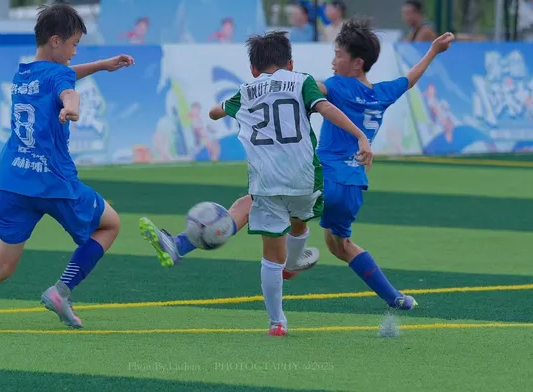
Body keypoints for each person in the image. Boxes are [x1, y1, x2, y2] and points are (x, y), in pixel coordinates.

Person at [141, 19, 454, 314]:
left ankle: (181, 244)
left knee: (251, 204)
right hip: (353, 185)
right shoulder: (383, 93)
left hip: (322, 177)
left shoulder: (337, 86)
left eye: (338, 55)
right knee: (340, 246)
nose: (333, 61)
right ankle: (395, 298)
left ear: (357, 63)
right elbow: (409, 80)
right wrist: (433, 51)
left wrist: (274, 81)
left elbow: (303, 88)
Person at [142, 31, 374, 336]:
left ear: (253, 69)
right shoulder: (301, 81)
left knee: (268, 251)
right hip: (305, 177)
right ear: (290, 63)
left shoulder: (246, 91)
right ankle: (292, 261)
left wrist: (223, 107)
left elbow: (214, 113)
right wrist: (360, 136)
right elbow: (325, 108)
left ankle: (277, 322)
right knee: (298, 221)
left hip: (267, 181)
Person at [0, 4, 135, 330]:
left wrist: (102, 65)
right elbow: (68, 90)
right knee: (110, 225)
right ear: (56, 41)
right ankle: (62, 291)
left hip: (14, 179)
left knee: (2, 264)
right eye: (73, 44)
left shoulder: (24, 73)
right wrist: (71, 107)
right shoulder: (60, 77)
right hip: (53, 181)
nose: (75, 52)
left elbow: (62, 76)